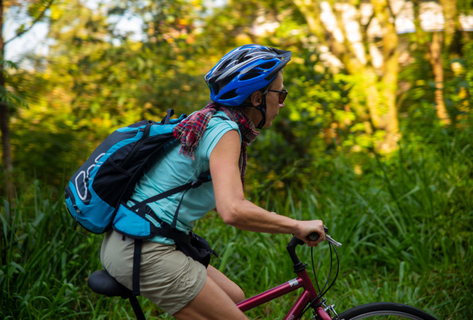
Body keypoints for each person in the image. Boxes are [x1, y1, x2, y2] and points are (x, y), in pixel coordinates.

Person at [100, 44, 326, 319]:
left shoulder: (215, 122)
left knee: (235, 297)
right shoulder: (225, 131)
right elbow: (232, 210)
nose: (281, 102)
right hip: (143, 250)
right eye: (281, 94)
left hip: (141, 241)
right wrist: (296, 225)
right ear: (257, 98)